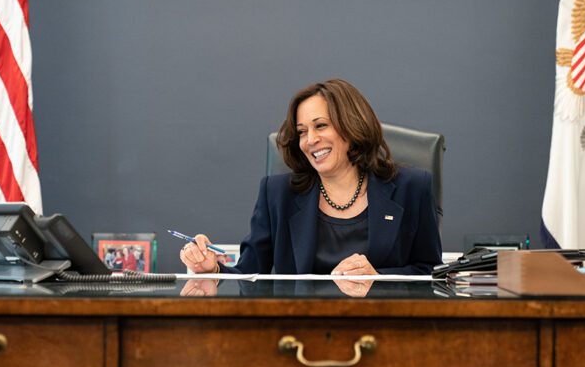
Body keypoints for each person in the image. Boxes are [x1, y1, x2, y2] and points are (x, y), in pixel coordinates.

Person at [180, 78, 442, 276]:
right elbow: (249, 276)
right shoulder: (277, 194)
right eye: (302, 132)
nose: (310, 140)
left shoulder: (412, 187)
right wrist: (212, 269)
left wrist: (378, 279)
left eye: (321, 126)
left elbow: (431, 274)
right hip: (299, 334)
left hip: (383, 330)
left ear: (352, 127)